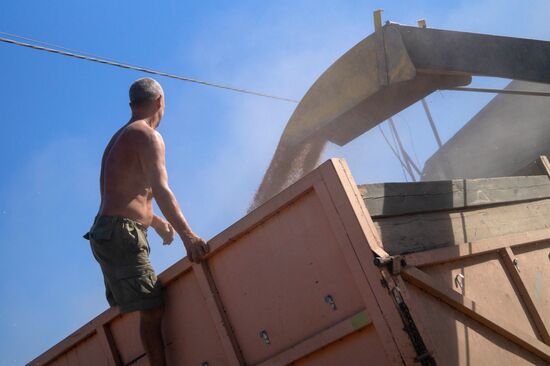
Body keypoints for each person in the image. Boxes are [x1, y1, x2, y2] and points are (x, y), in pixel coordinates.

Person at [84, 77, 208, 366]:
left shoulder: (120, 136)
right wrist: (188, 236)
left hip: (105, 233)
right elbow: (161, 189)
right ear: (160, 102)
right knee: (151, 307)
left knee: (139, 304)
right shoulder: (148, 136)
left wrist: (156, 222)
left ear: (132, 104)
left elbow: (124, 195)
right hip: (121, 233)